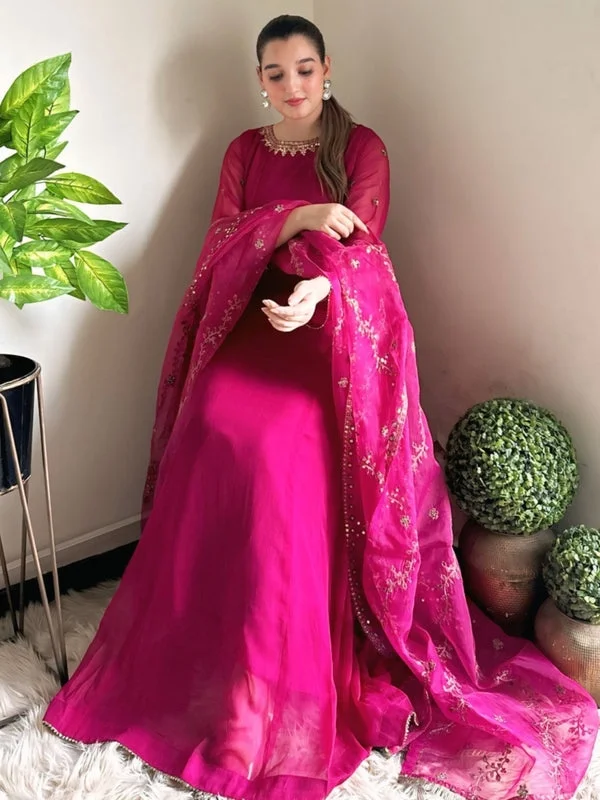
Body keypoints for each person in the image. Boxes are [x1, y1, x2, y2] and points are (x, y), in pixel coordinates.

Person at [43, 14, 597, 800]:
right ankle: (206, 646)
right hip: (256, 326)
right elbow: (220, 243)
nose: (292, 85)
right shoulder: (244, 151)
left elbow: (367, 249)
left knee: (277, 449)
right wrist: (297, 218)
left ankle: (269, 675)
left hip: (333, 342)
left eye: (304, 69)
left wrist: (316, 290)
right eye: (276, 73)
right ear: (260, 81)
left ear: (326, 68)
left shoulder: (362, 147)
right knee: (214, 419)